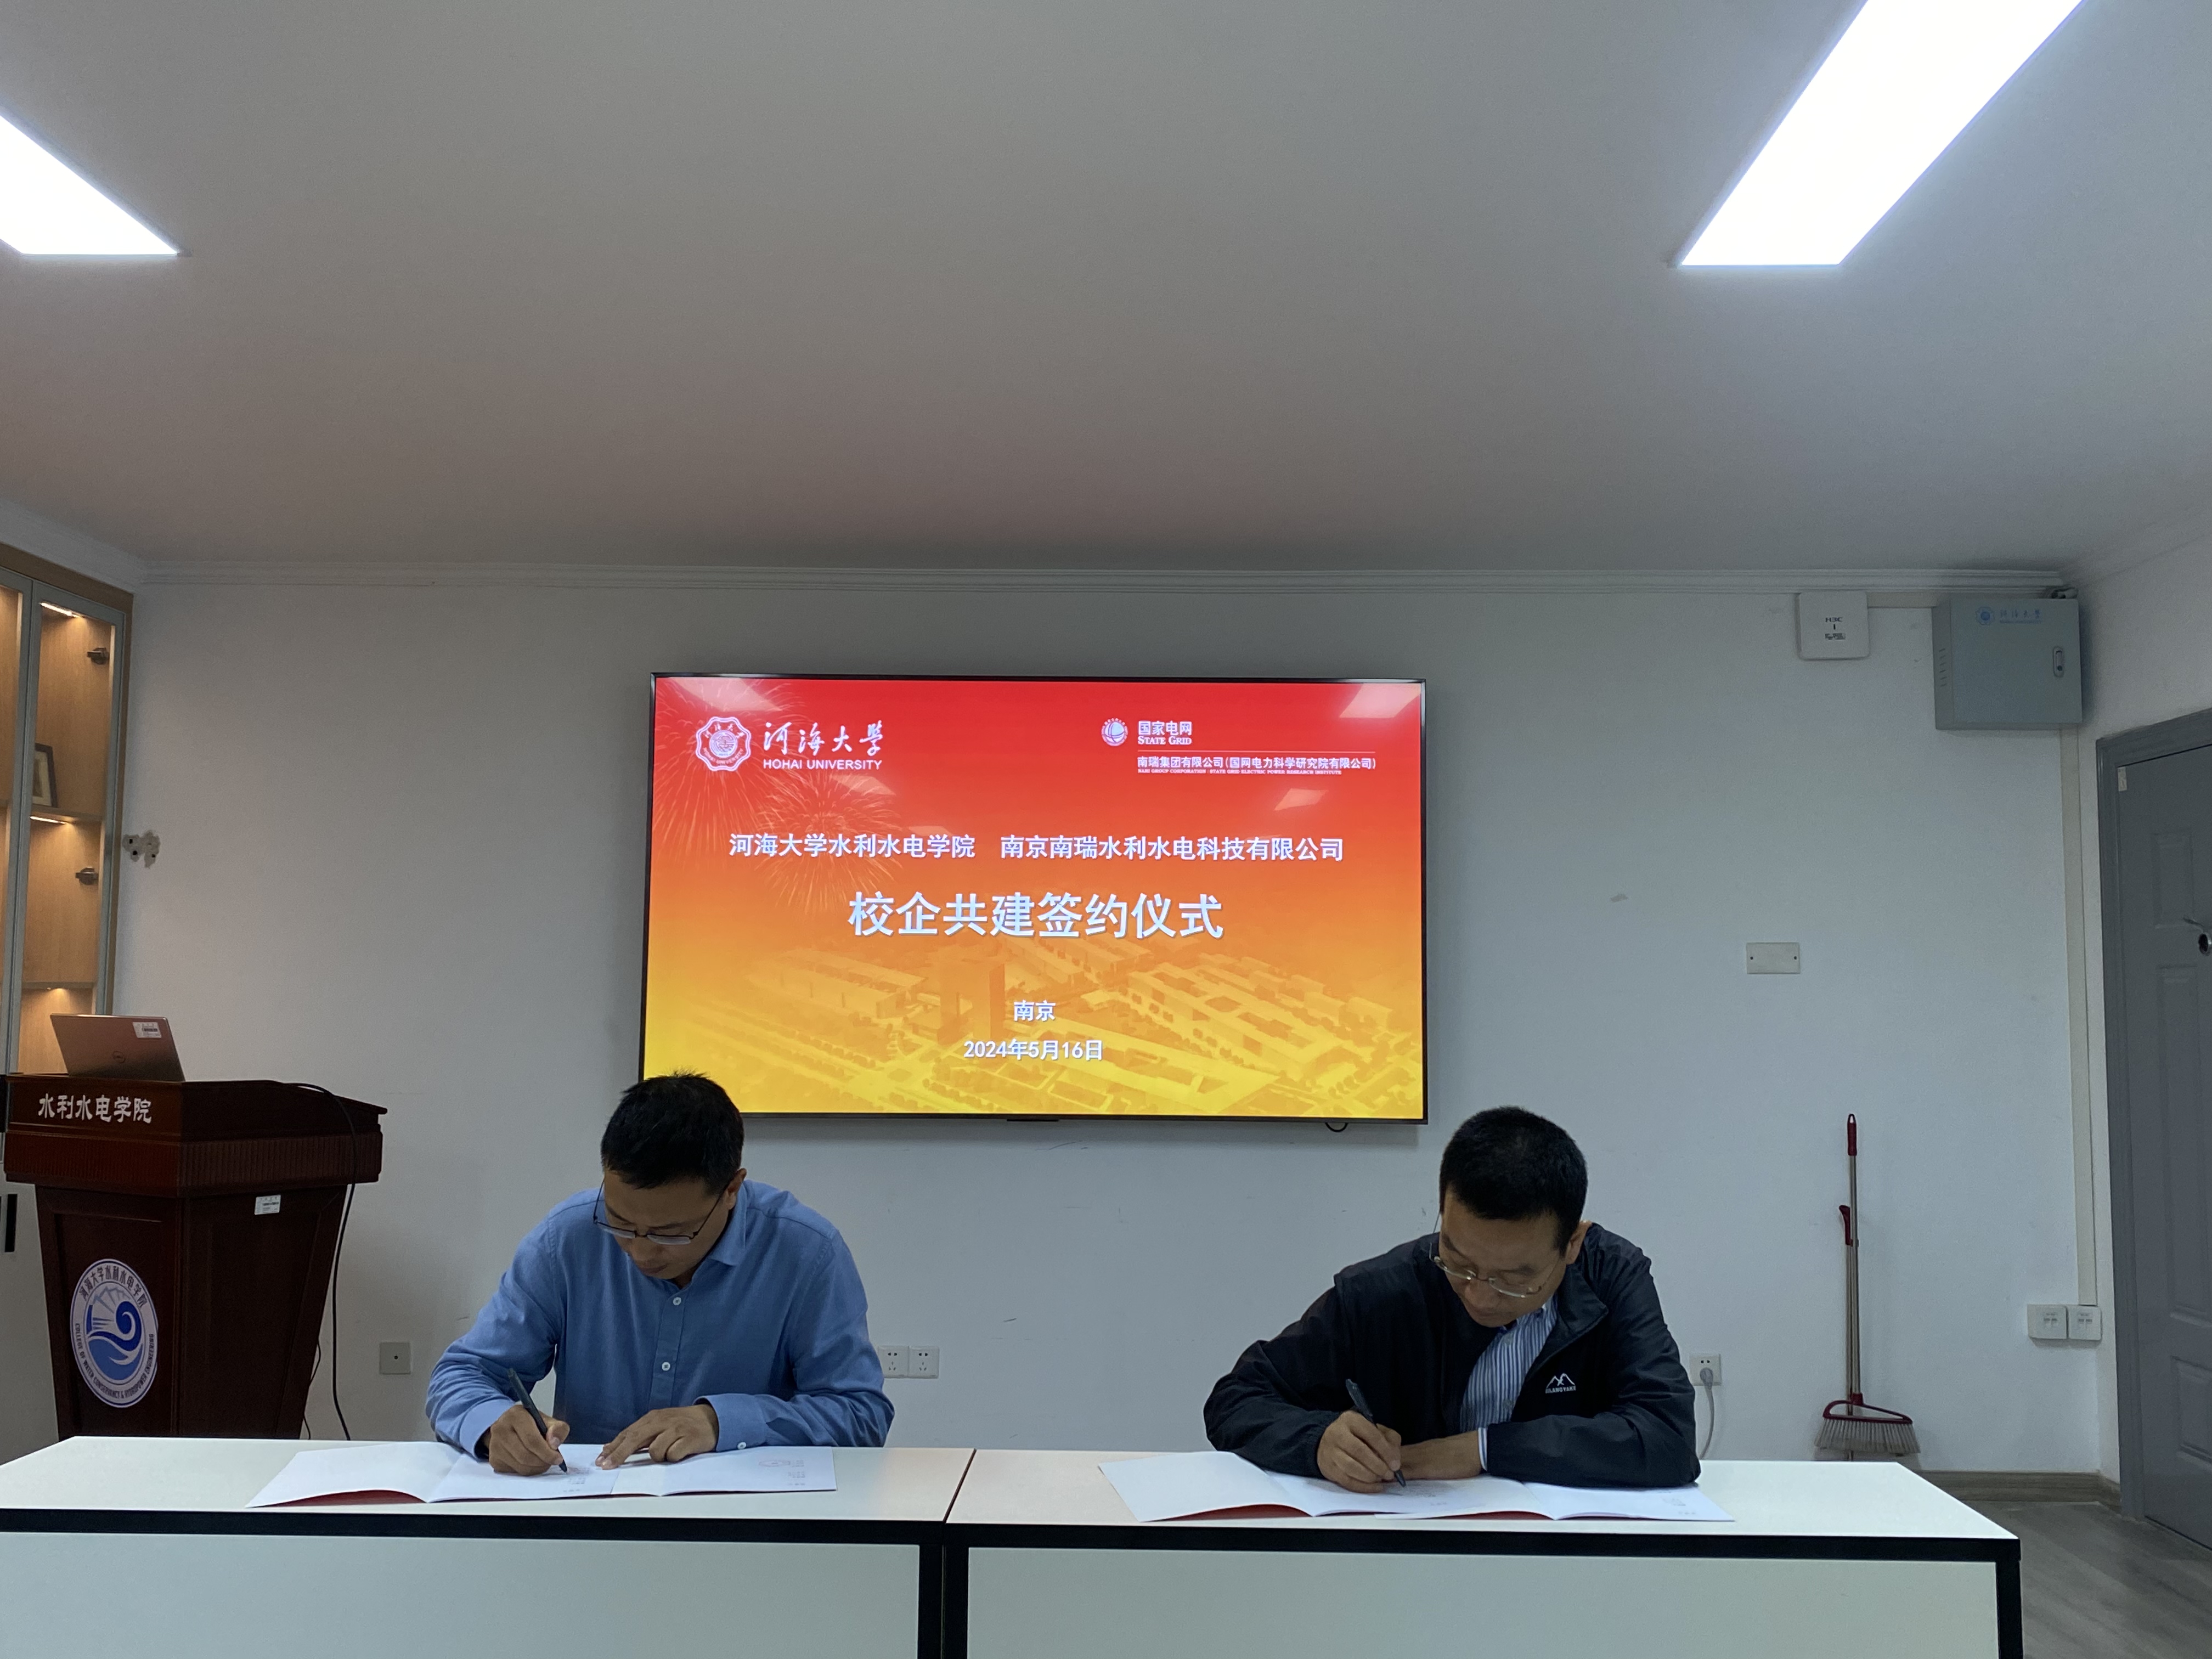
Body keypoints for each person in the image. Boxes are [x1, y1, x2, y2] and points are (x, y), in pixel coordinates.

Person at [1204, 1106, 1696, 1490]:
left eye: (1514, 1278)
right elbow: (1237, 1399)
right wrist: (1316, 1442)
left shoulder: (1611, 1277)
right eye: (1458, 1262)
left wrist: (1480, 1450)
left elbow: (1668, 1437)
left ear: (1572, 1244)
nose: (1480, 1295)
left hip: (1565, 1556)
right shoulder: (1383, 1293)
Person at [428, 1073, 891, 1472]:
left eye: (671, 1233)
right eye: (619, 1222)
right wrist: (493, 1423)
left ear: (731, 1189)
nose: (640, 1250)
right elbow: (463, 1374)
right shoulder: (567, 1239)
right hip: (593, 1512)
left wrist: (721, 1422)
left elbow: (860, 1413)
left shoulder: (805, 1253)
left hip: (748, 1519)